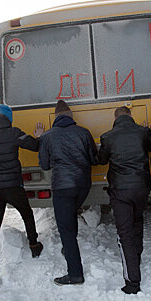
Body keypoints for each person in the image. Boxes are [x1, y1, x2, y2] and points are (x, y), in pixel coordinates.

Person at [0, 104, 45, 290]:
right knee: (26, 213)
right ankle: (34, 244)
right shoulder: (13, 132)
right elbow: (35, 146)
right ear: (8, 118)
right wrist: (38, 136)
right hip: (13, 186)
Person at [98, 107, 151, 294]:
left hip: (120, 190)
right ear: (130, 116)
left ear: (115, 118)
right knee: (137, 221)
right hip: (141, 187)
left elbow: (101, 160)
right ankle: (136, 257)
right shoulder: (143, 131)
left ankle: (132, 281)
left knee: (124, 233)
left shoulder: (107, 137)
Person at [38, 100, 98, 285]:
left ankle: (75, 274)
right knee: (71, 216)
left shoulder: (48, 136)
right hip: (83, 185)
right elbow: (94, 160)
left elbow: (44, 165)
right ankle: (69, 248)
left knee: (66, 228)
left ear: (55, 117)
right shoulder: (84, 132)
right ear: (71, 116)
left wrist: (41, 139)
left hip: (62, 187)